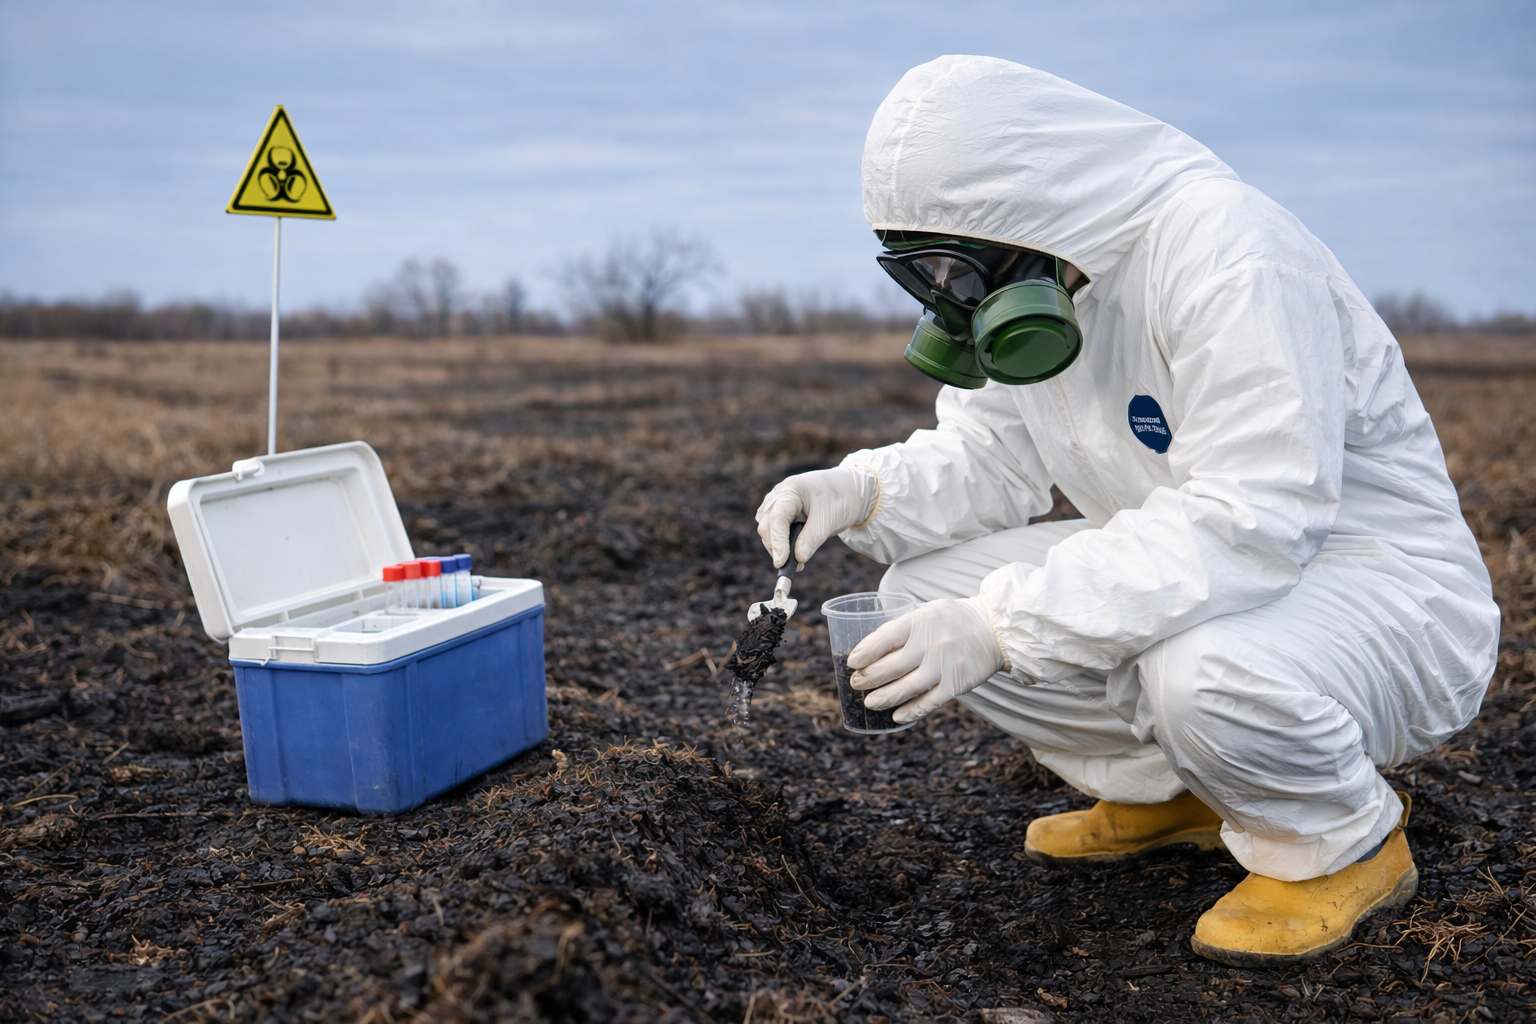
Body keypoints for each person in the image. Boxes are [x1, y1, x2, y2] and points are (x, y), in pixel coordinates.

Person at [755, 56, 1499, 966]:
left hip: (1380, 593)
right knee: (920, 593)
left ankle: (1336, 842)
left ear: (1029, 212)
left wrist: (1001, 626)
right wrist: (861, 489)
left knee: (1196, 668)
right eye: (924, 273)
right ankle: (1176, 791)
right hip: (1216, 572)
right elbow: (992, 458)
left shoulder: (1230, 253)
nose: (950, 295)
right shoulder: (1054, 281)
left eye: (956, 265)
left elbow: (1251, 520)